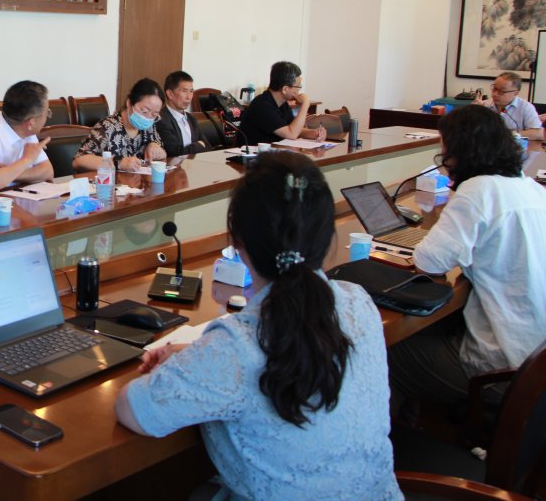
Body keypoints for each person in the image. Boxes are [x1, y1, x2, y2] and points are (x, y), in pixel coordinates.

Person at [114, 152, 401, 500]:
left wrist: (202, 358)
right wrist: (199, 355)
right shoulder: (358, 304)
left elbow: (132, 408)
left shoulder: (237, 345)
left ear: (237, 241)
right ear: (328, 235)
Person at [388, 104, 546, 410]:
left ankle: (404, 433)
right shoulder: (532, 188)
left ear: (459, 150)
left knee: (385, 347)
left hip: (503, 370)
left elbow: (428, 263)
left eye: (444, 147)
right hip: (536, 362)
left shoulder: (477, 191)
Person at [73, 78, 167, 172]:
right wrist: (119, 163)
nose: (148, 118)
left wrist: (155, 146)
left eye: (154, 114)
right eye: (145, 111)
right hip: (109, 180)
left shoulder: (149, 126)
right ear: (129, 103)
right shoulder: (107, 127)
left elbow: (163, 154)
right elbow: (79, 160)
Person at [239, 61, 326, 145]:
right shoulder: (262, 105)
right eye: (298, 86)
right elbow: (292, 134)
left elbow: (293, 128)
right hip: (254, 154)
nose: (299, 90)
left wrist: (314, 133)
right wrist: (305, 104)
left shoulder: (282, 104)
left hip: (274, 151)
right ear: (285, 89)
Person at [156, 70, 213, 157]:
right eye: (184, 91)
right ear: (170, 94)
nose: (189, 97)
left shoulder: (191, 118)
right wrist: (199, 145)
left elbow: (208, 147)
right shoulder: (161, 119)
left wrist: (198, 146)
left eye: (191, 91)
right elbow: (176, 153)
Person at [475, 71, 543, 140]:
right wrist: (474, 112)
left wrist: (510, 135)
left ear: (515, 93)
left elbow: (538, 133)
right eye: (494, 88)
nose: (495, 94)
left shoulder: (525, 107)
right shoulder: (484, 105)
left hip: (513, 145)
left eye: (502, 91)